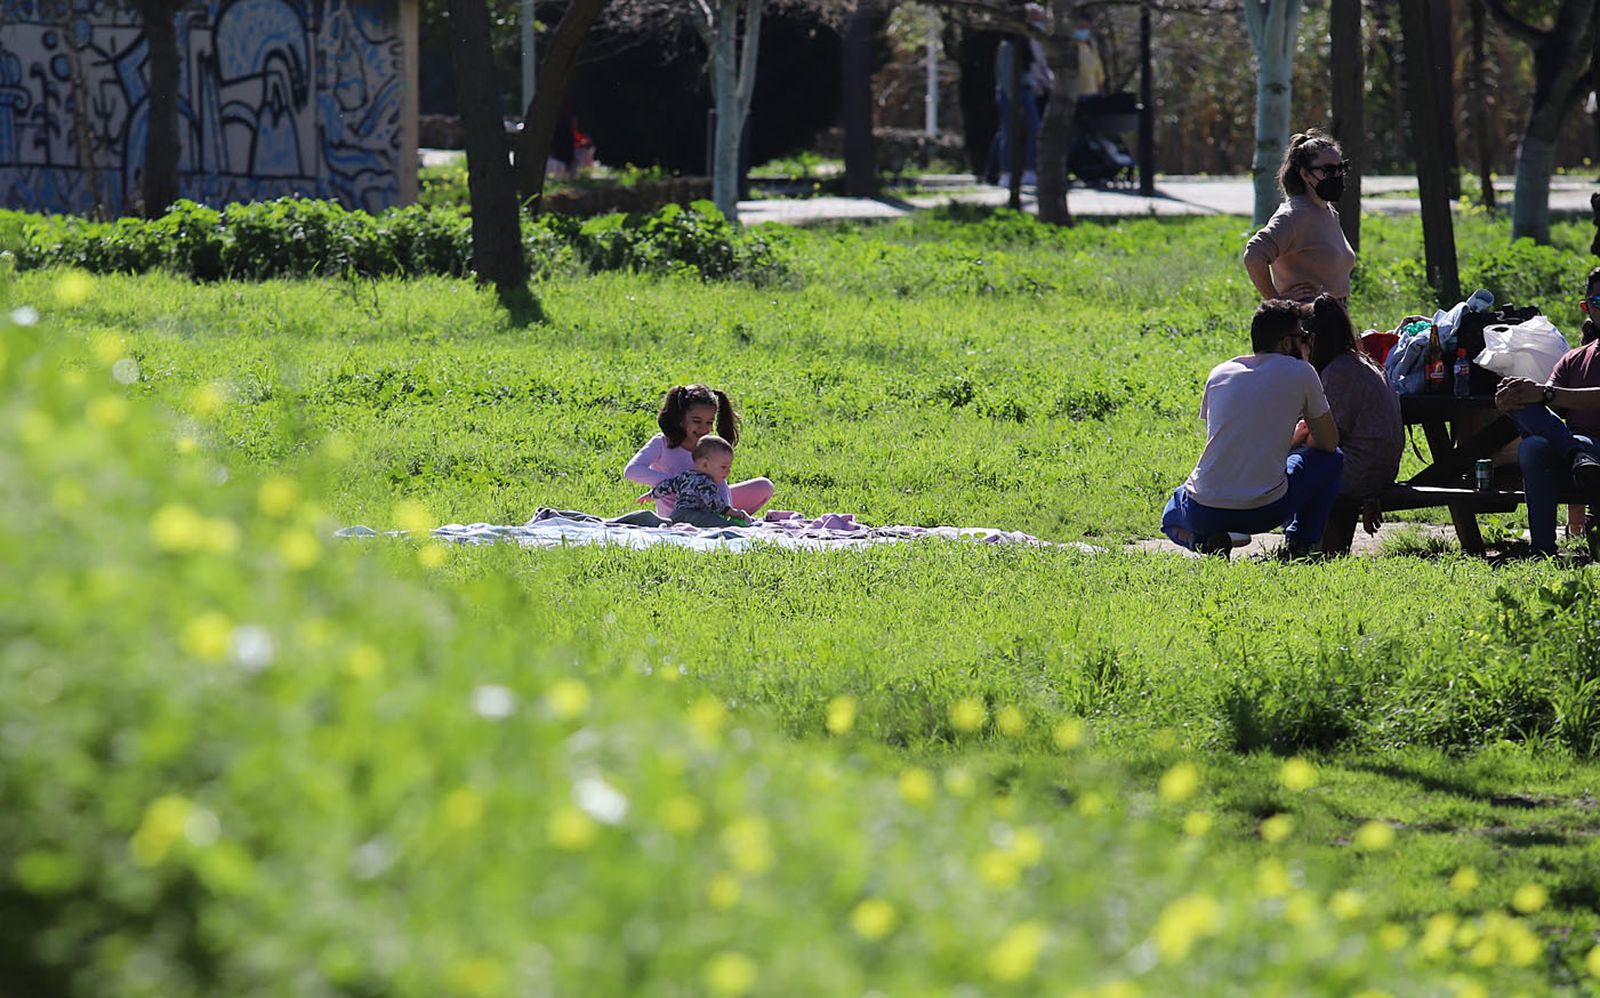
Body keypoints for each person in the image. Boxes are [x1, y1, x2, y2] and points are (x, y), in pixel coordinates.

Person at [1161, 299, 1344, 558]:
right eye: (1302, 336)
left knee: (1171, 517)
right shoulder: (1301, 371)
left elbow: (1235, 443)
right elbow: (1328, 443)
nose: (1306, 343)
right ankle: (1302, 543)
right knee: (1333, 460)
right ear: (1285, 342)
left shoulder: (1219, 372)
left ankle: (1207, 541)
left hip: (1204, 508)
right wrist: (1300, 437)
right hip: (1265, 510)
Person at [1493, 267, 1600, 556]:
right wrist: (1511, 398)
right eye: (1599, 301)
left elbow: (1550, 395)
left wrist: (1544, 394)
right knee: (1533, 447)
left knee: (1539, 437)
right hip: (1580, 461)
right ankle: (1541, 550)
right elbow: (1542, 402)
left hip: (1593, 453)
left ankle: (1577, 452)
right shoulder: (1574, 359)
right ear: (1586, 307)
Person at [1299, 295, 1403, 545]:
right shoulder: (1361, 362)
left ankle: (1302, 543)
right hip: (1378, 466)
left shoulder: (1338, 372)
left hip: (1361, 470)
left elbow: (1326, 439)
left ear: (1311, 339)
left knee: (1293, 465)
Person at [625, 383, 774, 518]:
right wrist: (679, 483)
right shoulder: (662, 443)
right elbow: (632, 471)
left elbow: (720, 483)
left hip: (711, 504)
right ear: (681, 418)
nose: (704, 429)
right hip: (678, 513)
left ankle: (727, 516)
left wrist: (727, 511)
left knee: (764, 486)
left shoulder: (709, 446)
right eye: (696, 421)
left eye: (709, 422)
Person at [1242, 130, 1357, 304]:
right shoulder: (1295, 215)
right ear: (1304, 174)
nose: (1338, 175)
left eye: (1341, 168)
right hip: (1307, 320)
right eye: (1328, 170)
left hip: (1335, 313)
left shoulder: (1328, 211)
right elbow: (1254, 254)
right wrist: (1276, 301)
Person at [641, 435, 752, 527]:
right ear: (705, 464)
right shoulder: (705, 482)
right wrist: (731, 512)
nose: (728, 471)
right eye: (724, 467)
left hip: (676, 514)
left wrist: (651, 495)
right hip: (694, 514)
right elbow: (712, 502)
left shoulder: (685, 476)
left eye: (729, 467)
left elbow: (667, 485)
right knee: (723, 525)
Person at [1073, 14, 1105, 98]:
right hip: (1075, 92)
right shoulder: (1070, 45)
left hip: (1092, 91)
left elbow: (1098, 66)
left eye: (1085, 27)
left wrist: (1100, 83)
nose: (1082, 30)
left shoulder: (1092, 44)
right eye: (1080, 27)